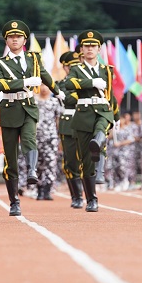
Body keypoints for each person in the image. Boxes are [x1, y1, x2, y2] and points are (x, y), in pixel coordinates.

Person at [0, 19, 62, 216]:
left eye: (18, 36)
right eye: (11, 37)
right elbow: (0, 85)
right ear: (7, 40)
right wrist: (25, 81)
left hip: (29, 107)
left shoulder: (33, 58)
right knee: (11, 158)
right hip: (9, 108)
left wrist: (58, 91)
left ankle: (32, 171)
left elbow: (46, 75)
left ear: (24, 40)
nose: (15, 39)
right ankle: (14, 200)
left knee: (30, 139)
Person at [64, 30, 119, 212]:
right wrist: (91, 83)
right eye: (86, 46)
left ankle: (99, 140)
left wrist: (116, 117)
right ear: (81, 49)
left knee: (101, 128)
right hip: (84, 113)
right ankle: (92, 199)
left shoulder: (107, 70)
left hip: (103, 111)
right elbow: (69, 84)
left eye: (93, 46)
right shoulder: (76, 69)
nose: (89, 49)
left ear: (99, 49)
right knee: (86, 162)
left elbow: (111, 96)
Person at [56, 50, 84, 208]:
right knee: (70, 163)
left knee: (85, 160)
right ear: (65, 68)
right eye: (71, 66)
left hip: (85, 122)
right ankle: (76, 195)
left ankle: (88, 192)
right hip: (68, 124)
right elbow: (68, 99)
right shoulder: (62, 84)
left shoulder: (85, 79)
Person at [35, 80, 61, 201]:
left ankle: (47, 190)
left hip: (51, 137)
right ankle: (39, 189)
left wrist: (59, 138)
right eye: (41, 85)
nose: (44, 88)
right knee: (38, 164)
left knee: (51, 164)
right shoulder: (34, 101)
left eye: (46, 85)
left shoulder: (55, 102)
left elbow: (58, 120)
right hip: (36, 137)